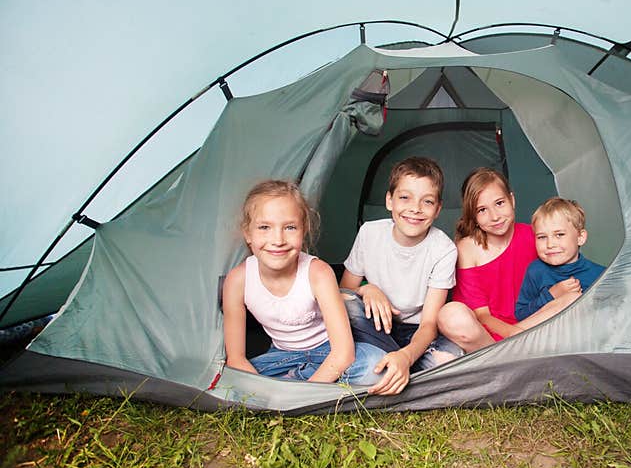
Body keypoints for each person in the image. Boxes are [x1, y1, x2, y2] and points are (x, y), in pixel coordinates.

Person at [222, 179, 386, 386]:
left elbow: (343, 353)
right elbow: (236, 358)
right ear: (248, 233)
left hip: (328, 349)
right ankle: (299, 376)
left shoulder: (318, 273)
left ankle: (295, 380)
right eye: (264, 227)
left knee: (376, 367)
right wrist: (257, 386)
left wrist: (299, 396)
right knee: (230, 376)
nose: (278, 239)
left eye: (290, 227)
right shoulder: (237, 280)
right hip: (281, 356)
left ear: (304, 229)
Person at [339, 156, 463, 396]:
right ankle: (399, 365)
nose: (415, 208)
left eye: (426, 202)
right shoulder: (369, 233)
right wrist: (367, 289)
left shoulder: (443, 250)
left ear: (437, 209)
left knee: (449, 362)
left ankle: (397, 363)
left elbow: (429, 324)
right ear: (389, 200)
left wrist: (407, 354)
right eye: (405, 198)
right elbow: (344, 291)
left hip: (416, 333)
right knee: (345, 305)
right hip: (374, 325)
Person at [437, 168, 578, 354]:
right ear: (473, 216)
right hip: (488, 336)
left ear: (512, 200)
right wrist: (512, 334)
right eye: (482, 210)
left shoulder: (535, 235)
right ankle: (502, 356)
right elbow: (482, 316)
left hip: (532, 324)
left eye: (500, 203)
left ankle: (513, 355)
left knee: (573, 298)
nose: (494, 216)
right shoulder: (467, 248)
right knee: (450, 315)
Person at [515, 197, 605, 321]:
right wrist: (551, 295)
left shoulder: (601, 274)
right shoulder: (536, 271)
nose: (550, 244)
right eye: (542, 237)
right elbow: (521, 315)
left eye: (559, 235)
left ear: (580, 237)